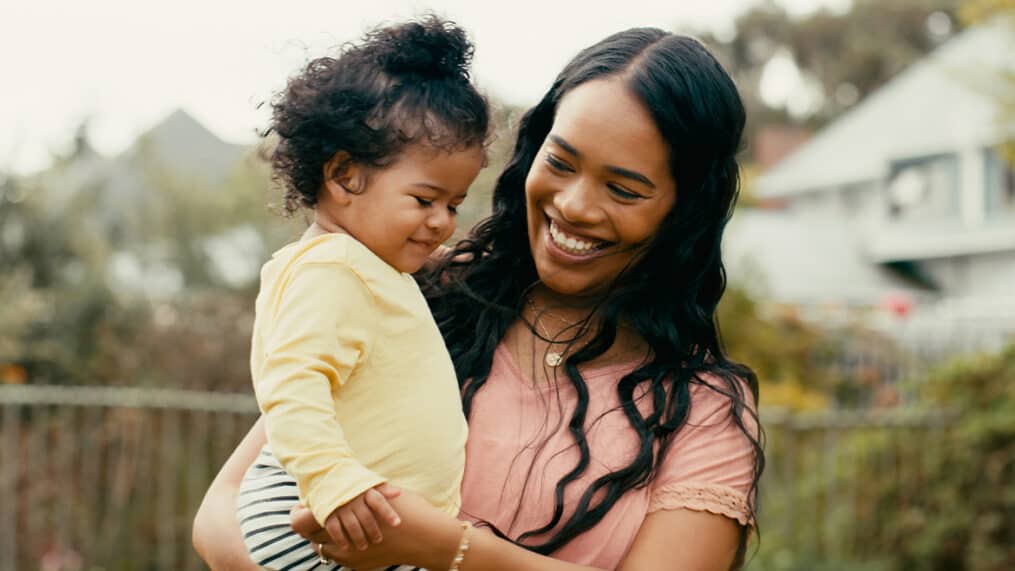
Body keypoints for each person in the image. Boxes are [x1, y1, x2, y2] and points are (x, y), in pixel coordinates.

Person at [194, 25, 763, 571]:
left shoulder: (704, 415)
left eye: (622, 189)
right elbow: (225, 509)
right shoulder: (412, 293)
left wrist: (445, 549)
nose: (574, 206)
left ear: (684, 212)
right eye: (560, 163)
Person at [232, 15, 490, 571]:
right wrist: (334, 481)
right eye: (425, 200)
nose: (443, 221)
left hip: (350, 512)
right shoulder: (333, 271)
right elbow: (292, 383)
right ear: (345, 175)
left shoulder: (366, 268)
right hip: (327, 514)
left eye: (454, 204)